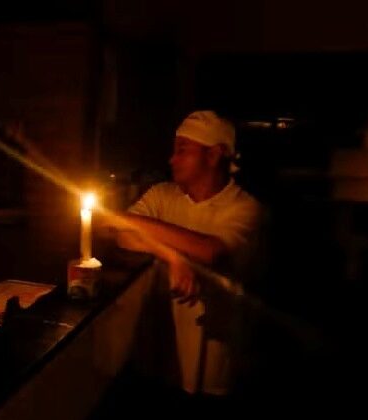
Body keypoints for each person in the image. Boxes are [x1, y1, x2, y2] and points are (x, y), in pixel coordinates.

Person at [111, 110, 262, 395]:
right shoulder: (163, 194)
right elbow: (122, 236)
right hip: (162, 346)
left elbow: (210, 251)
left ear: (214, 155)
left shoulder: (243, 208)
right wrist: (172, 257)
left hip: (213, 346)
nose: (172, 160)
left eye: (182, 150)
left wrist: (121, 217)